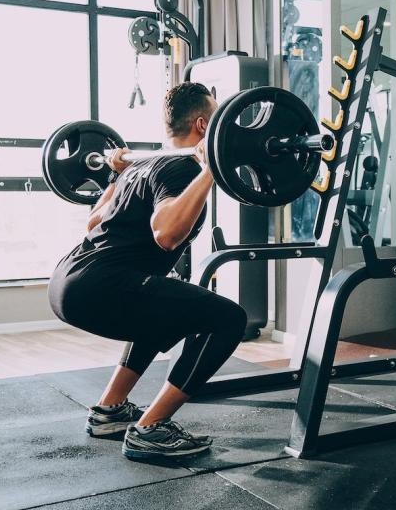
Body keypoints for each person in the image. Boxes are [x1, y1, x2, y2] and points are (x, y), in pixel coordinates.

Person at [48, 82, 248, 462]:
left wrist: (113, 176)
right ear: (205, 126)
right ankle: (150, 429)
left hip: (68, 281)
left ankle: (110, 410)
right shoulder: (181, 168)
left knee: (161, 303)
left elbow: (94, 224)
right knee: (228, 319)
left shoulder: (141, 165)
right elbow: (167, 235)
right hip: (100, 286)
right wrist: (210, 171)